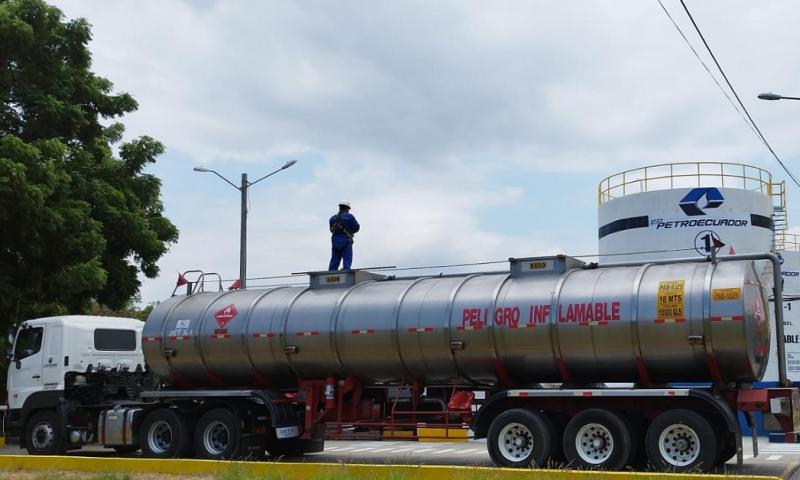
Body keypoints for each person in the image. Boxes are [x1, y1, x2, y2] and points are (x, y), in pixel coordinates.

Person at [328, 202, 360, 271]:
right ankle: (346, 270)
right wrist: (350, 232)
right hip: (346, 239)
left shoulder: (332, 218)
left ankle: (330, 273)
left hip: (335, 240)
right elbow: (357, 227)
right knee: (347, 258)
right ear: (347, 208)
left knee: (334, 259)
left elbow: (331, 230)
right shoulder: (350, 217)